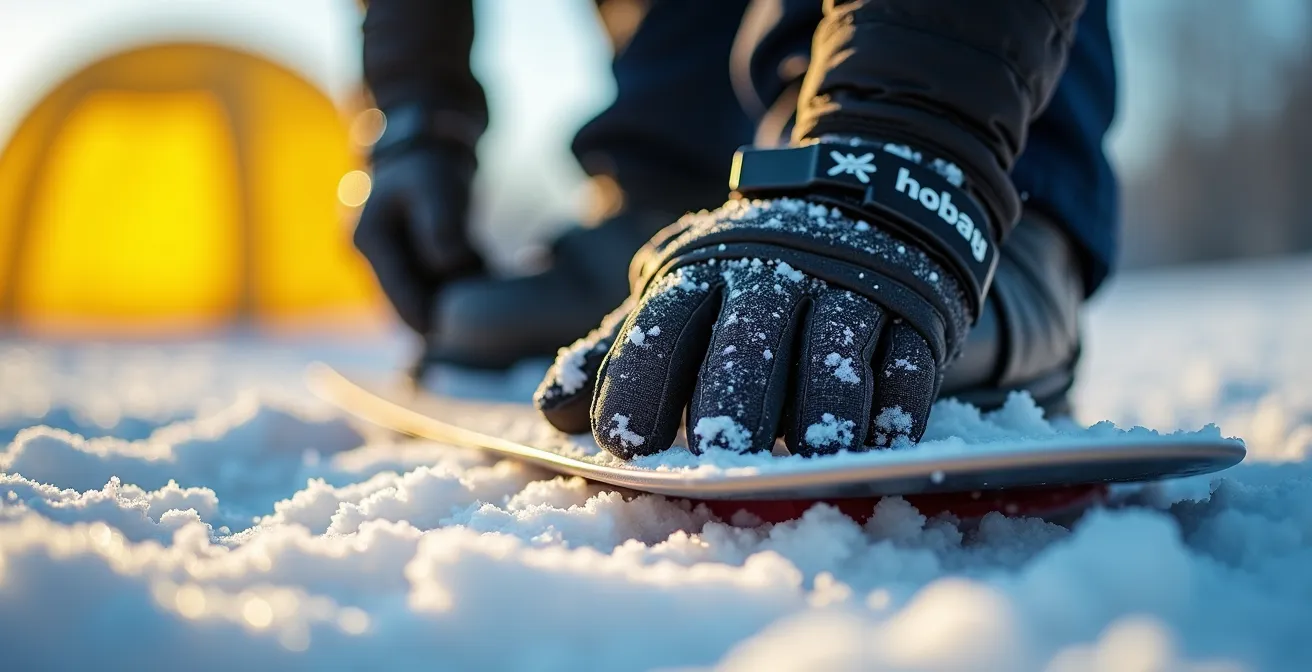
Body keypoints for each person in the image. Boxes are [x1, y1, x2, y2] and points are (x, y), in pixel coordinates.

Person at [354, 0, 1118, 458]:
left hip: (978, 117)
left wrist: (911, 134)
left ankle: (995, 187)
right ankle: (682, 193)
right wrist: (416, 113)